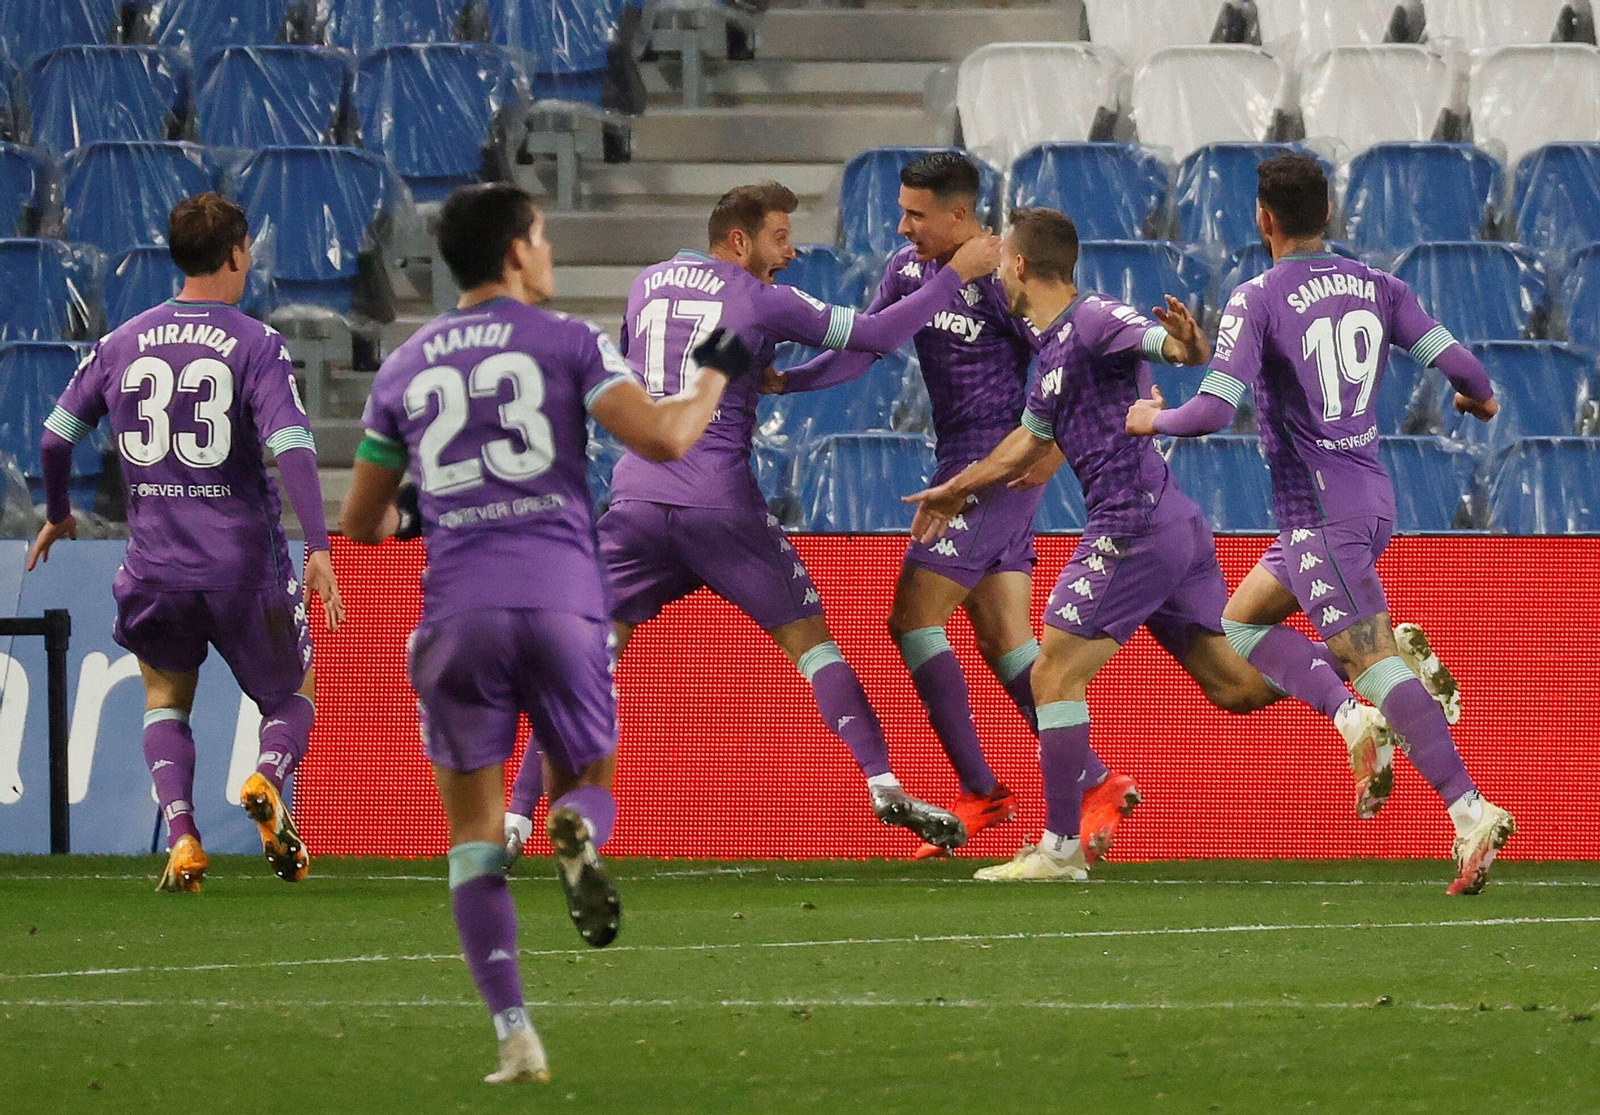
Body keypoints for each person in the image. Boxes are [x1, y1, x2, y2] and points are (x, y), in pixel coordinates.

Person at [341, 183, 752, 1085]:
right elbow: (669, 439)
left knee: (475, 838)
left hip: (456, 614)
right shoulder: (569, 340)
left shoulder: (404, 365)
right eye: (544, 234)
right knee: (589, 776)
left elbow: (361, 522)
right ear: (519, 253)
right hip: (564, 604)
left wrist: (424, 512)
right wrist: (715, 368)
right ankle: (574, 829)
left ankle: (515, 1032)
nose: (551, 249)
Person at [508, 181, 1004, 855]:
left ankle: (513, 818)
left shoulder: (647, 283)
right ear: (738, 241)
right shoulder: (755, 293)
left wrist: (765, 367)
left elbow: (673, 367)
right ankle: (884, 782)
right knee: (813, 644)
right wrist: (956, 276)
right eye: (778, 237)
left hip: (633, 503)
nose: (791, 252)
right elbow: (877, 333)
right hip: (720, 504)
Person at [906, 207, 1392, 882]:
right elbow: (1028, 438)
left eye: (1003, 260)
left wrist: (1187, 346)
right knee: (1234, 686)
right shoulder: (1049, 349)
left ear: (1018, 264)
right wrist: (959, 486)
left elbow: (1166, 348)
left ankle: (1060, 848)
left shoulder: (1095, 318)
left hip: (1131, 525)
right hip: (1171, 524)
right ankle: (1366, 657)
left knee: (1052, 674)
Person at [773, 151, 1201, 861]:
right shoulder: (914, 273)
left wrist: (1055, 448)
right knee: (1003, 636)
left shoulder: (1009, 274)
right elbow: (868, 348)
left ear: (960, 214)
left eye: (917, 214)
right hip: (961, 460)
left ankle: (981, 788)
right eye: (902, 211)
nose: (903, 226)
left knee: (912, 618)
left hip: (1001, 465)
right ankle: (1091, 779)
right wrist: (788, 382)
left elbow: (1087, 349)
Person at [1125, 154, 1514, 894]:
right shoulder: (1379, 285)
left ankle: (1468, 809)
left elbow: (1211, 411)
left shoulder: (1258, 296)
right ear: (1329, 213)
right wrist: (1481, 400)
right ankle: (1352, 710)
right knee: (1236, 623)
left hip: (1320, 517)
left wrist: (1153, 417)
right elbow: (1463, 364)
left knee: (1370, 660)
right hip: (1367, 501)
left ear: (1263, 218)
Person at [26, 192, 342, 892]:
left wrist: (58, 510)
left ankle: (183, 837)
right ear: (235, 254)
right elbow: (290, 439)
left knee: (165, 694)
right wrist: (317, 543)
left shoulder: (120, 341)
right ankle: (267, 775)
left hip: (155, 564)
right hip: (242, 564)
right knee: (294, 692)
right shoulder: (256, 343)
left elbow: (54, 436)